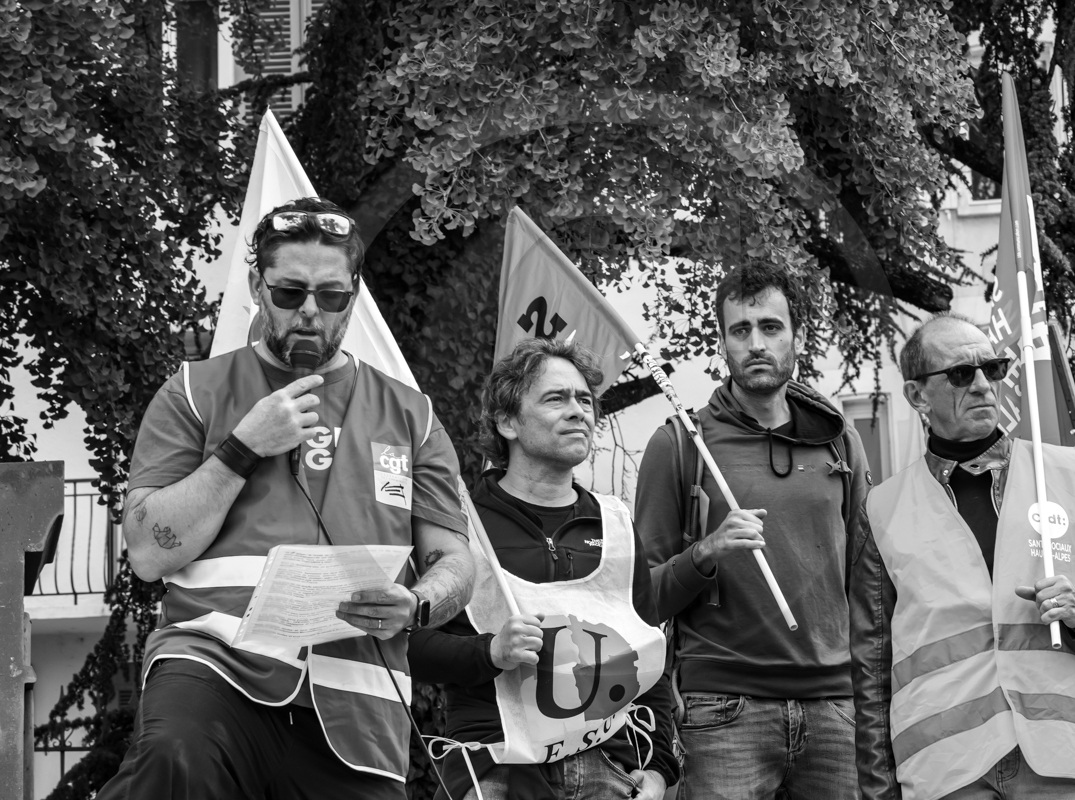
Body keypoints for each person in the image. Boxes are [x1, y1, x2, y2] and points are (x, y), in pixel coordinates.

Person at [98, 197, 476, 799]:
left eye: (331, 296)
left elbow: (455, 562)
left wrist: (417, 603)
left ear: (354, 295)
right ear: (257, 286)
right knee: (173, 759)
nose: (310, 312)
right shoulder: (194, 390)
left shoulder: (413, 414)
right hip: (215, 662)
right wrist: (242, 448)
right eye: (289, 292)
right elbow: (147, 552)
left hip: (359, 700)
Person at [848, 313, 1075, 800]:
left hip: (1061, 758)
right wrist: (879, 792)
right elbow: (871, 669)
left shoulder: (1069, 474)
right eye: (959, 374)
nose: (981, 385)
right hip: (945, 770)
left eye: (991, 368)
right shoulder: (881, 508)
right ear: (916, 396)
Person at [634, 262, 870, 800]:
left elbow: (870, 578)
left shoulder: (840, 441)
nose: (756, 344)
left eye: (771, 327)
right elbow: (642, 600)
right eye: (740, 330)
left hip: (837, 705)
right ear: (722, 344)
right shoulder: (681, 443)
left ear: (797, 338)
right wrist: (705, 552)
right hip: (723, 708)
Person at [407, 337, 679, 800]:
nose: (579, 412)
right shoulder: (458, 526)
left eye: (585, 400)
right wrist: (491, 651)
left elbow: (651, 655)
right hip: (497, 770)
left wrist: (657, 769)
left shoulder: (616, 524)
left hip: (611, 772)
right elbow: (408, 645)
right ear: (507, 421)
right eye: (557, 399)